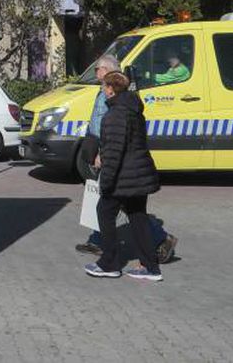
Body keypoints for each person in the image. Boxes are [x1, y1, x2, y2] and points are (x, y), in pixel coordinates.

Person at [76, 55, 177, 262]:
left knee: (121, 204)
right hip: (100, 147)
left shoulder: (115, 96)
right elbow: (96, 121)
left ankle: (159, 238)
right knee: (105, 199)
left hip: (109, 154)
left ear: (109, 71)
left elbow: (112, 128)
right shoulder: (103, 91)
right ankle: (98, 239)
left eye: (98, 69)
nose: (96, 73)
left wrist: (100, 153)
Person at [85, 71, 164, 282]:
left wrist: (107, 183)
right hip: (139, 174)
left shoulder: (114, 115)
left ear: (111, 89)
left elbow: (113, 152)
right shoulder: (134, 110)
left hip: (123, 177)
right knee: (138, 217)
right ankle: (150, 267)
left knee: (104, 211)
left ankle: (109, 263)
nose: (102, 89)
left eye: (103, 86)